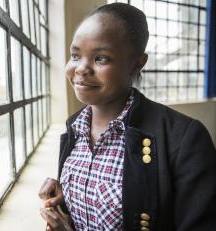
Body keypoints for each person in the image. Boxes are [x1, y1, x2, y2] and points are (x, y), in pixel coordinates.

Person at [38, 2, 216, 231]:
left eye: (100, 58)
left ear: (137, 64)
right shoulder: (74, 127)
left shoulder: (184, 139)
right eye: (75, 55)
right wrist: (70, 201)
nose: (81, 68)